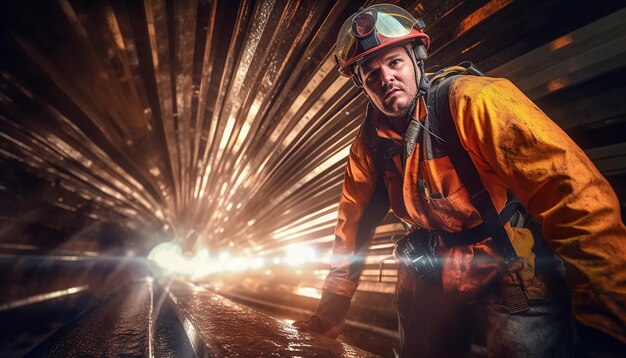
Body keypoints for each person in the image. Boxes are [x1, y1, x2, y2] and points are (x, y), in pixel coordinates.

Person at [292, 3, 626, 357]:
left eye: (394, 62)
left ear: (417, 60)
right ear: (362, 86)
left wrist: (607, 318)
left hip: (512, 259)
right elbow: (352, 224)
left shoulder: (473, 101)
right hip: (433, 266)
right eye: (371, 74)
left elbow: (570, 192)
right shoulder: (369, 145)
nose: (385, 78)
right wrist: (334, 302)